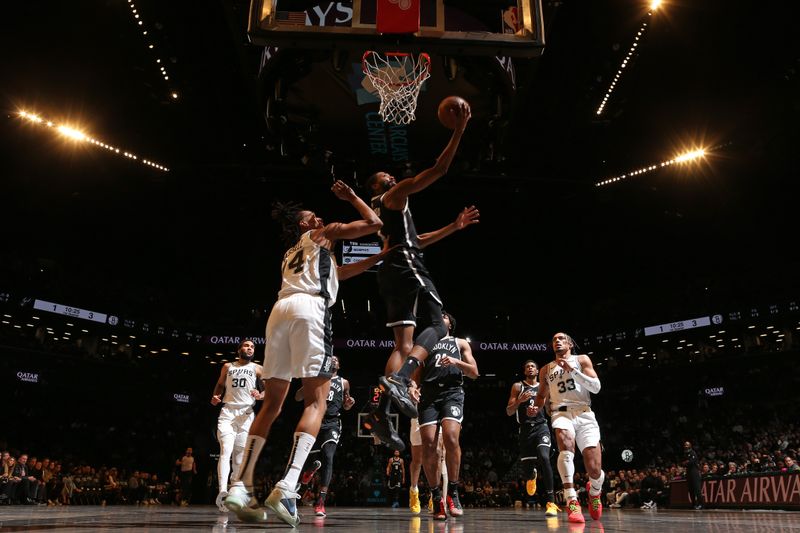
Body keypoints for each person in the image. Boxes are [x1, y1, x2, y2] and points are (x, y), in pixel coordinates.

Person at [224, 180, 387, 526]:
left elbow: (339, 274)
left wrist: (379, 258)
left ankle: (240, 484)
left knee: (272, 404)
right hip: (310, 311)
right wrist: (353, 197)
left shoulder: (292, 254)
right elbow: (375, 223)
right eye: (315, 216)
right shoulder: (323, 233)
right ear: (305, 223)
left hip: (280, 310)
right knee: (317, 401)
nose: (321, 218)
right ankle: (286, 486)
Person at [362, 100, 478, 449]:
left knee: (404, 344)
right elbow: (439, 170)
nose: (392, 178)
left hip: (392, 269)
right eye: (386, 178)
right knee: (441, 325)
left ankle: (377, 410)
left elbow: (418, 239)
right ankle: (398, 379)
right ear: (377, 188)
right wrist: (458, 131)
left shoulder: (386, 215)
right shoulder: (393, 196)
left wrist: (453, 228)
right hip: (407, 265)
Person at [531, 332, 605, 524]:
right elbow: (541, 396)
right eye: (554, 339)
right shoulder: (546, 369)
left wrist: (572, 370)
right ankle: (571, 499)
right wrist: (535, 408)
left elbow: (596, 387)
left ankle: (595, 492)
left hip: (584, 413)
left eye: (561, 338)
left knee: (595, 469)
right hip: (561, 412)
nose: (557, 341)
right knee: (565, 446)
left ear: (570, 343)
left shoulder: (581, 359)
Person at [417, 310, 478, 519]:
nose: (439, 317)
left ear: (449, 324)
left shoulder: (460, 343)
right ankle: (436, 496)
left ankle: (453, 491)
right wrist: (412, 387)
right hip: (429, 394)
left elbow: (474, 372)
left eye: (443, 316)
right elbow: (417, 371)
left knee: (451, 437)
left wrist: (455, 362)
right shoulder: (425, 342)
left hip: (452, 392)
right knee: (428, 444)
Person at [294, 354, 355, 518]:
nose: (334, 360)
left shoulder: (344, 382)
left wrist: (349, 405)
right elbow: (297, 397)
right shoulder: (316, 379)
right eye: (331, 359)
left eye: (337, 359)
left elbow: (346, 405)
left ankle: (320, 501)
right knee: (309, 459)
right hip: (315, 420)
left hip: (332, 423)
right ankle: (309, 470)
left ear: (339, 366)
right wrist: (307, 385)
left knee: (328, 457)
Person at [210, 338, 265, 512]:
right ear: (239, 349)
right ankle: (223, 491)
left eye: (252, 347)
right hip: (228, 413)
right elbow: (219, 385)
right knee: (226, 450)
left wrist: (260, 395)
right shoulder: (228, 367)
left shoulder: (257, 368)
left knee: (239, 458)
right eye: (246, 346)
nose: (250, 348)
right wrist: (215, 396)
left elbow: (266, 391)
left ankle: (234, 493)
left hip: (246, 414)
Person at [506, 359, 559, 517]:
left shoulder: (544, 387)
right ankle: (532, 475)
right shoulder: (518, 387)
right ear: (525, 371)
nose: (530, 368)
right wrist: (519, 401)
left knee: (544, 457)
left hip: (541, 427)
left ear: (537, 371)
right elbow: (509, 411)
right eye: (527, 366)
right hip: (525, 430)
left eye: (533, 367)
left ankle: (551, 502)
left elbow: (550, 411)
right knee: (528, 473)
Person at [683, 441, 703, 509]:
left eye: (687, 445)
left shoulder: (693, 453)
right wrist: (686, 462)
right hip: (688, 474)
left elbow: (691, 462)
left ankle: (700, 504)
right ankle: (693, 504)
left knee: (697, 490)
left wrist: (687, 462)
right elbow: (683, 463)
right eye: (685, 445)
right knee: (691, 490)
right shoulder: (685, 454)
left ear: (690, 446)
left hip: (694, 473)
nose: (686, 446)